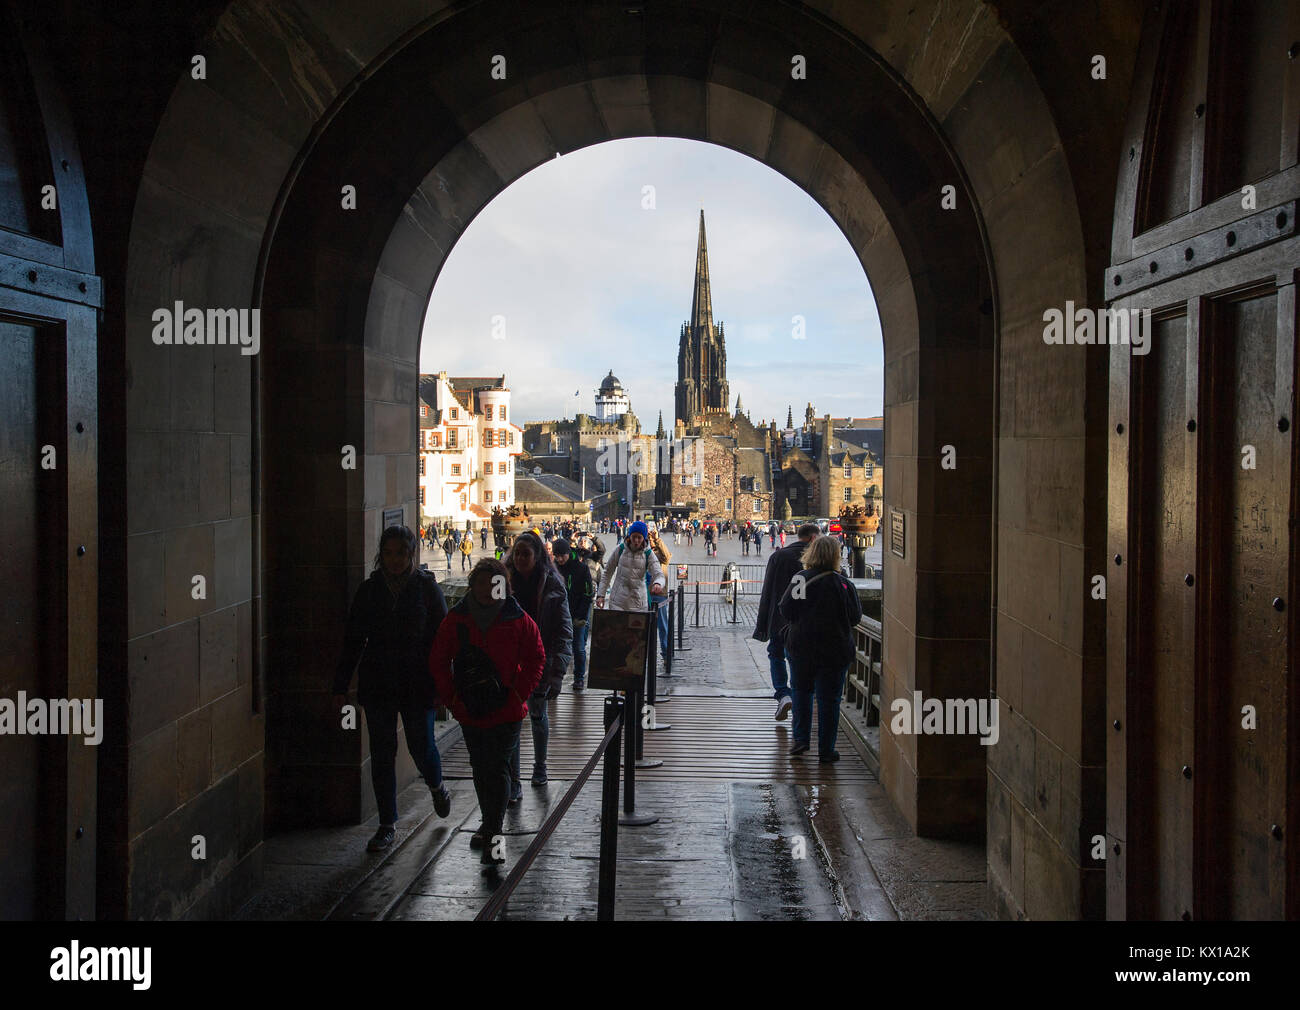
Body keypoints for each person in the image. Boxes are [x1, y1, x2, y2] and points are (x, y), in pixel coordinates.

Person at [333, 525, 451, 853]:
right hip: (380, 682)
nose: (395, 560)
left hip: (418, 682)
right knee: (383, 754)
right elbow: (354, 640)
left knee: (421, 746)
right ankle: (387, 824)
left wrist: (444, 685)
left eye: (400, 553)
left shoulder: (427, 588)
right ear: (381, 555)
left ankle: (437, 785)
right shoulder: (369, 591)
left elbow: (443, 642)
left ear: (411, 553)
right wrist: (341, 684)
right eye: (388, 553)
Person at [430, 558, 545, 872]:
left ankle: (493, 831)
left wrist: (519, 692)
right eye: (480, 583)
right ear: (473, 586)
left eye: (492, 584)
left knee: (495, 768)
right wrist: (453, 698)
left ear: (503, 587)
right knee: (482, 768)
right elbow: (439, 658)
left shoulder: (517, 619)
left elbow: (536, 655)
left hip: (506, 709)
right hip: (471, 709)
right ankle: (490, 822)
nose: (486, 590)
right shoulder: (458, 620)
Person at [778, 535, 862, 762]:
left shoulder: (801, 579)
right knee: (830, 700)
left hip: (802, 646)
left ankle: (801, 739)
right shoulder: (843, 583)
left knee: (802, 692)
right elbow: (855, 617)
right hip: (835, 649)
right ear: (836, 556)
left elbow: (786, 610)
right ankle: (826, 749)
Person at [504, 531, 572, 792]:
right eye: (517, 553)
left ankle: (540, 766)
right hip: (509, 661)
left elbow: (564, 629)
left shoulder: (553, 582)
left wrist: (558, 671)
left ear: (537, 556)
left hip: (539, 659)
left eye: (526, 554)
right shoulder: (503, 579)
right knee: (512, 719)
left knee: (537, 714)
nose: (520, 558)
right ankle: (514, 779)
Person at [752, 523, 819, 722]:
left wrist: (763, 625)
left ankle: (783, 694)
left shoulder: (778, 556)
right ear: (813, 538)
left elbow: (767, 593)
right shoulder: (818, 558)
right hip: (808, 623)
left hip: (779, 619)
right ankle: (803, 699)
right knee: (802, 661)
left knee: (776, 655)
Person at [551, 538, 594, 691]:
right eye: (557, 556)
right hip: (559, 615)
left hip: (577, 614)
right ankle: (553, 679)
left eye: (562, 555)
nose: (560, 559)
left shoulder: (581, 568)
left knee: (579, 648)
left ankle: (579, 678)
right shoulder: (553, 569)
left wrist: (581, 615)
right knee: (555, 649)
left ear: (568, 553)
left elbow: (588, 593)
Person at [597, 520, 665, 613]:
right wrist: (601, 595)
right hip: (617, 602)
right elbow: (607, 572)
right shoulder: (620, 549)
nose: (636, 541)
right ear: (629, 536)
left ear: (644, 538)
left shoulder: (648, 554)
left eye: (639, 537)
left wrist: (658, 583)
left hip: (638, 603)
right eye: (634, 537)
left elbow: (658, 573)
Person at [646, 526, 672, 664]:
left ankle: (666, 654)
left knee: (663, 626)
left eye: (651, 538)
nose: (650, 540)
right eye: (648, 538)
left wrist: (657, 539)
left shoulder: (659, 554)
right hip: (644, 595)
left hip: (659, 594)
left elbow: (667, 557)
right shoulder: (643, 553)